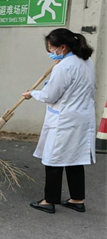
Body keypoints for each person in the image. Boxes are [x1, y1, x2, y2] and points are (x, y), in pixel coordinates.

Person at [23, 28, 96, 214]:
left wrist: (32, 93)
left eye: (51, 48)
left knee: (53, 159)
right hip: (82, 117)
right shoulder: (86, 62)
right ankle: (77, 199)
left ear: (62, 47)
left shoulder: (63, 67)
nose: (50, 53)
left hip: (64, 119)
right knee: (75, 158)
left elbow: (51, 95)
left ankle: (49, 201)